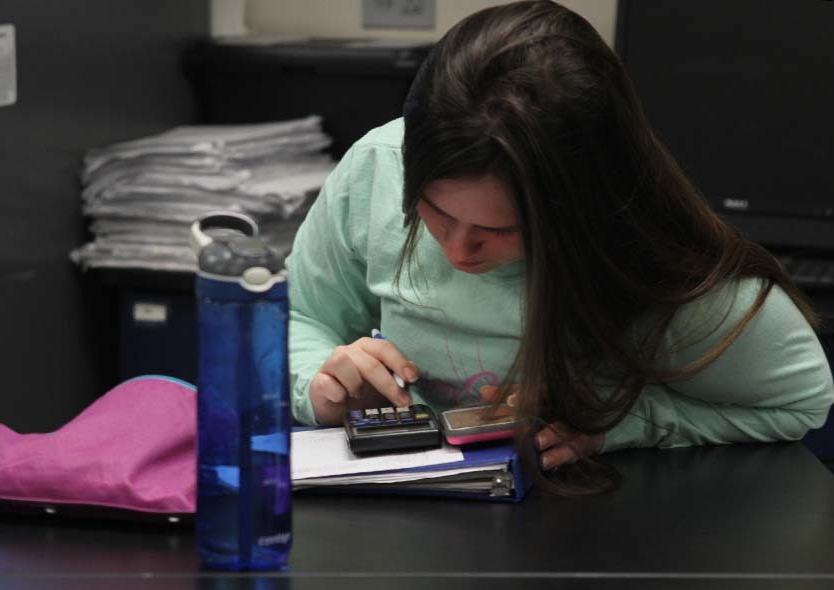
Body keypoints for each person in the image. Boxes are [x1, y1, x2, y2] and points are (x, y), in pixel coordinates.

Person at [285, 0, 834, 493]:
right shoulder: (379, 167)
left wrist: (623, 424)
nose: (457, 252)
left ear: (581, 212)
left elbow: (801, 402)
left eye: (498, 231)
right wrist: (324, 388)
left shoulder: (661, 266)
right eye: (435, 211)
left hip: (591, 530)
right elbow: (301, 313)